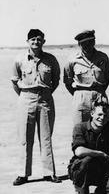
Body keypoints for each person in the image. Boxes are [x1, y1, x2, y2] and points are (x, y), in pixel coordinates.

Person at [11, 29, 61, 185]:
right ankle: (23, 174)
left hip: (45, 99)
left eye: (39, 39)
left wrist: (44, 93)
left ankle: (49, 173)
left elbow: (56, 80)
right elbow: (15, 80)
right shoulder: (20, 59)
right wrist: (27, 94)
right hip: (26, 98)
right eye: (32, 39)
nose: (36, 42)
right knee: (25, 138)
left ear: (43, 42)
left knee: (46, 137)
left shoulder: (50, 60)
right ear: (27, 42)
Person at [68, 100, 109, 194]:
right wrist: (100, 153)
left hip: (103, 167)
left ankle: (101, 190)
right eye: (99, 114)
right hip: (82, 168)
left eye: (105, 115)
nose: (102, 118)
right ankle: (81, 189)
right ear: (92, 113)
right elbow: (79, 151)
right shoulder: (80, 127)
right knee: (87, 160)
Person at [64, 30, 109, 125]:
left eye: (90, 42)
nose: (87, 45)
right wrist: (79, 94)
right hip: (81, 98)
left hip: (99, 96)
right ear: (79, 44)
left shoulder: (103, 57)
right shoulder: (72, 59)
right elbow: (68, 81)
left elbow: (107, 78)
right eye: (83, 43)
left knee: (104, 128)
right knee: (80, 129)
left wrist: (99, 91)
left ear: (94, 42)